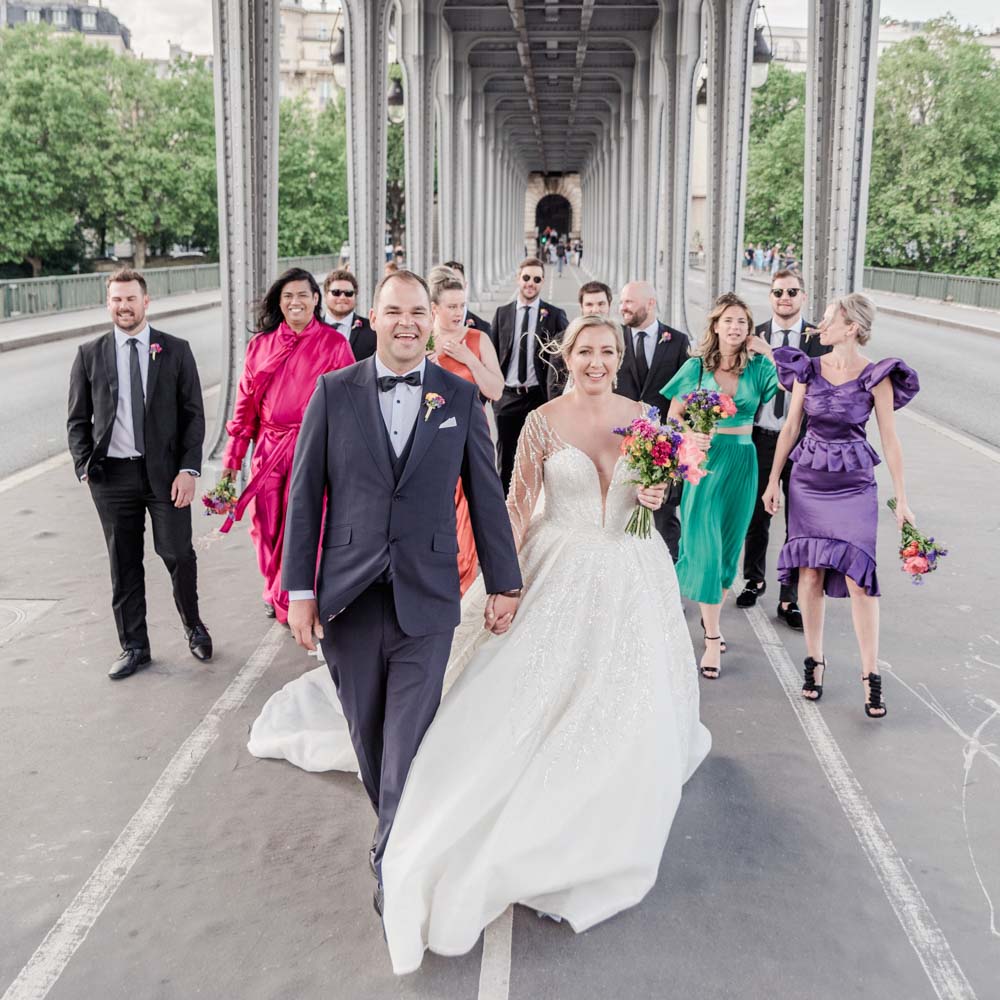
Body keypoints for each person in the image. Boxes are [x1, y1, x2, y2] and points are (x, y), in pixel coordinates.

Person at [250, 315, 710, 974]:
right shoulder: (544, 421)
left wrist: (660, 490)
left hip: (633, 571)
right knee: (530, 693)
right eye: (586, 351)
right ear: (567, 355)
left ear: (618, 359)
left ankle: (608, 796)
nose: (598, 361)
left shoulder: (648, 417)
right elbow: (515, 508)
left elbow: (657, 497)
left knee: (630, 695)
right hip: (561, 567)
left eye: (608, 351)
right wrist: (503, 583)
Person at [281, 269, 522, 919]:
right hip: (350, 595)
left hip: (429, 594)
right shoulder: (334, 394)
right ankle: (393, 828)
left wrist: (505, 581)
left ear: (432, 318)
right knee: (367, 735)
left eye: (419, 310)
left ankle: (393, 857)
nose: (409, 321)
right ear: (375, 318)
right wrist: (298, 589)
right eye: (396, 311)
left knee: (408, 736)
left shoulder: (458, 396)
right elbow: (304, 497)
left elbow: (485, 492)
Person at [763, 294, 918, 719]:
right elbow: (792, 425)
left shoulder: (876, 376)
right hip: (809, 477)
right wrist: (774, 479)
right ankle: (815, 661)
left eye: (829, 319)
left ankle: (871, 675)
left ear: (851, 327)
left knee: (858, 579)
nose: (820, 326)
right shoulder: (806, 368)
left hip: (853, 482)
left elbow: (889, 438)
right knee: (809, 572)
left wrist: (902, 498)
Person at [67, 268, 211, 679]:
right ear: (107, 303)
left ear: (146, 302)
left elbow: (193, 415)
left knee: (178, 553)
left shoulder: (175, 350)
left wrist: (188, 469)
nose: (123, 306)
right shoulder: (89, 354)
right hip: (112, 478)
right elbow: (78, 419)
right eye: (116, 299)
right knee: (124, 562)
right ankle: (134, 646)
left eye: (130, 298)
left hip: (166, 475)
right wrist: (85, 469)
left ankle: (194, 627)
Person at [220, 268, 355, 624]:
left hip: (313, 448)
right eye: (288, 296)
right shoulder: (259, 346)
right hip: (267, 449)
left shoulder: (335, 344)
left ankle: (289, 597)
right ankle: (273, 585)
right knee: (264, 526)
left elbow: (350, 405)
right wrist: (232, 462)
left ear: (316, 299)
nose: (295, 302)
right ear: (280, 303)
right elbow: (245, 405)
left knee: (308, 522)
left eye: (302, 295)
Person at [662, 293, 779, 679]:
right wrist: (691, 435)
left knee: (729, 554)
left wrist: (772, 354)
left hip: (742, 463)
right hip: (705, 466)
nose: (736, 327)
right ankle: (712, 637)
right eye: (729, 320)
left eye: (743, 322)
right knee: (705, 547)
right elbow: (673, 414)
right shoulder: (696, 368)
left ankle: (709, 620)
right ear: (716, 325)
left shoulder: (760, 368)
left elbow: (791, 397)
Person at [736, 269, 828, 630]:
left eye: (792, 291)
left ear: (803, 296)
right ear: (770, 297)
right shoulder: (752, 335)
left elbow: (816, 383)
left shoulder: (820, 339)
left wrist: (771, 353)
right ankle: (754, 579)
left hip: (804, 439)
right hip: (762, 434)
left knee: (799, 521)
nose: (784, 297)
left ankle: (788, 597)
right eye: (777, 292)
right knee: (758, 513)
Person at [426, 265, 505, 593]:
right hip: (431, 444)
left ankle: (466, 586)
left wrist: (468, 359)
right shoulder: (422, 340)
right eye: (452, 306)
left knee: (469, 518)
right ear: (434, 309)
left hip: (471, 442)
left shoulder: (477, 339)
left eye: (462, 305)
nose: (459, 312)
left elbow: (496, 390)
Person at [617, 280, 690, 561]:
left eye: (629, 302)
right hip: (621, 442)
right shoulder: (614, 337)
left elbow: (684, 393)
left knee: (664, 515)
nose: (623, 307)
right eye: (622, 302)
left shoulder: (677, 340)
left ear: (650, 303)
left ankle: (668, 583)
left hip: (662, 446)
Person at [489, 257, 569, 494]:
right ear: (518, 279)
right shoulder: (502, 313)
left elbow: (564, 357)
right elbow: (493, 353)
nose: (530, 283)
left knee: (541, 456)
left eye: (536, 279)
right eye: (526, 278)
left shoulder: (554, 315)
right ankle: (503, 510)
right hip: (507, 397)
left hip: (538, 397)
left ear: (543, 282)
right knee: (506, 457)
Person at [546, 280, 614, 397]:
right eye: (589, 305)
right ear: (581, 307)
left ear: (609, 305)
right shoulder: (563, 339)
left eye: (601, 304)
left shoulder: (622, 338)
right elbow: (554, 385)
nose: (595, 309)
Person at [323, 268, 376, 361]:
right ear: (325, 295)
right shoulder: (309, 329)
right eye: (336, 292)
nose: (342, 297)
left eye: (349, 293)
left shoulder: (373, 330)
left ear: (355, 296)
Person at [442, 259, 490, 333]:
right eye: (446, 282)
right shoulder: (428, 327)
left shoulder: (483, 329)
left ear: (465, 285)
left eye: (456, 282)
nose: (452, 287)